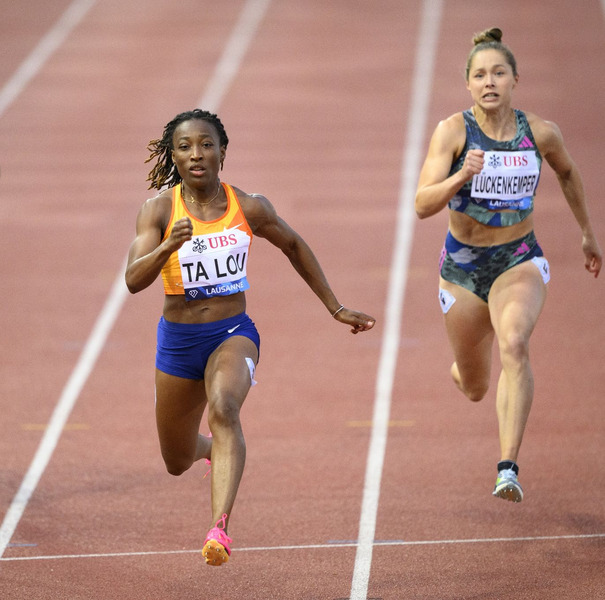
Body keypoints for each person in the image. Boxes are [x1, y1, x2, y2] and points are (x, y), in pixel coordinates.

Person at [125, 109, 375, 565]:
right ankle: (212, 453)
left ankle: (219, 529)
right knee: (175, 458)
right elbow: (132, 280)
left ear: (223, 151)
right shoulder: (159, 211)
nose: (196, 154)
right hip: (179, 342)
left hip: (232, 333)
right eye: (185, 146)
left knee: (224, 408)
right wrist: (167, 246)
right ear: (173, 156)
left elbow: (294, 245)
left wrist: (335, 307)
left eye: (206, 144)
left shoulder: (250, 206)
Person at [415, 28, 601, 503]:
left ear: (515, 78)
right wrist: (463, 173)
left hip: (519, 258)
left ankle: (507, 467)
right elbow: (421, 204)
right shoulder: (453, 132)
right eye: (480, 75)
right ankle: (464, 367)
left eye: (498, 72)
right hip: (462, 268)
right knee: (475, 386)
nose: (489, 81)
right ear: (469, 85)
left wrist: (586, 233)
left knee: (514, 342)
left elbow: (567, 171)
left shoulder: (539, 132)